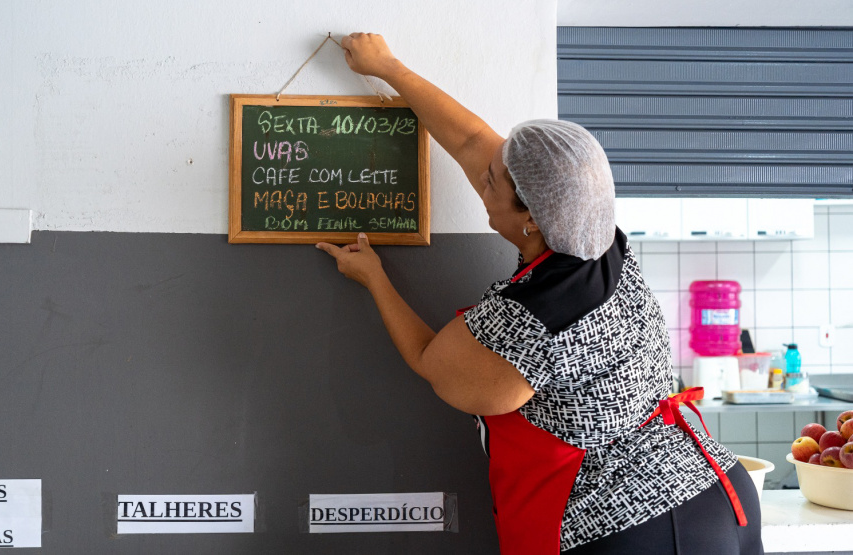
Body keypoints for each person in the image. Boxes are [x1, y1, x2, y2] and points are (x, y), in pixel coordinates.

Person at [316, 33, 763, 555]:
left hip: (635, 529)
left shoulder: (531, 317)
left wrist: (374, 277)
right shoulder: (598, 238)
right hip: (716, 494)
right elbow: (470, 139)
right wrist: (387, 67)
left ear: (530, 216)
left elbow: (430, 361)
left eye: (490, 183)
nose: (480, 178)